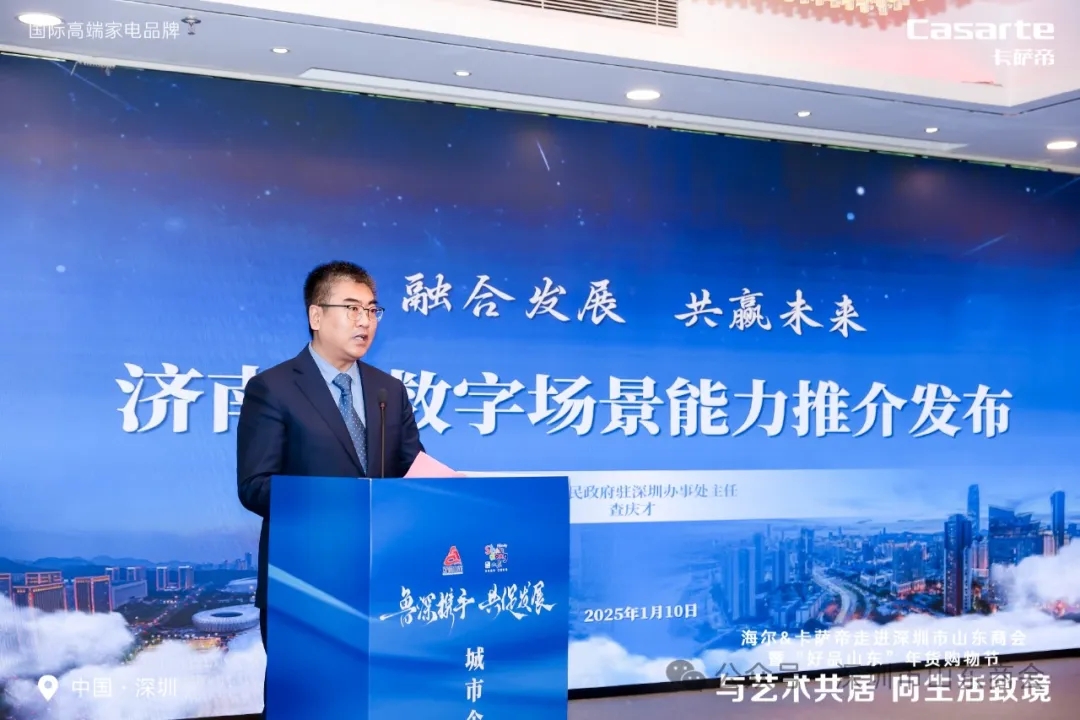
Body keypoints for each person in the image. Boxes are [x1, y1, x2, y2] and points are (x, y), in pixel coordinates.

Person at [235, 260, 424, 712]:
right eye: (352, 308)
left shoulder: (388, 390)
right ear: (316, 316)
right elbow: (255, 485)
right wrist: (342, 502)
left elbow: (412, 470)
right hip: (305, 583)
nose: (365, 321)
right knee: (309, 705)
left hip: (381, 579)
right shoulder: (273, 388)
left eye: (373, 310)